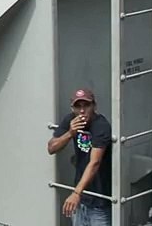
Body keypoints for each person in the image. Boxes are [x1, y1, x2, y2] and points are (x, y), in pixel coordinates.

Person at [47, 88, 113, 226]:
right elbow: (51, 148)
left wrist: (76, 193)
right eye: (78, 106)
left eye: (86, 105)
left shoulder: (101, 126)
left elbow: (94, 162)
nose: (82, 111)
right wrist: (70, 133)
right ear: (72, 108)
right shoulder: (71, 120)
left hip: (99, 200)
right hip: (81, 200)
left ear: (94, 106)